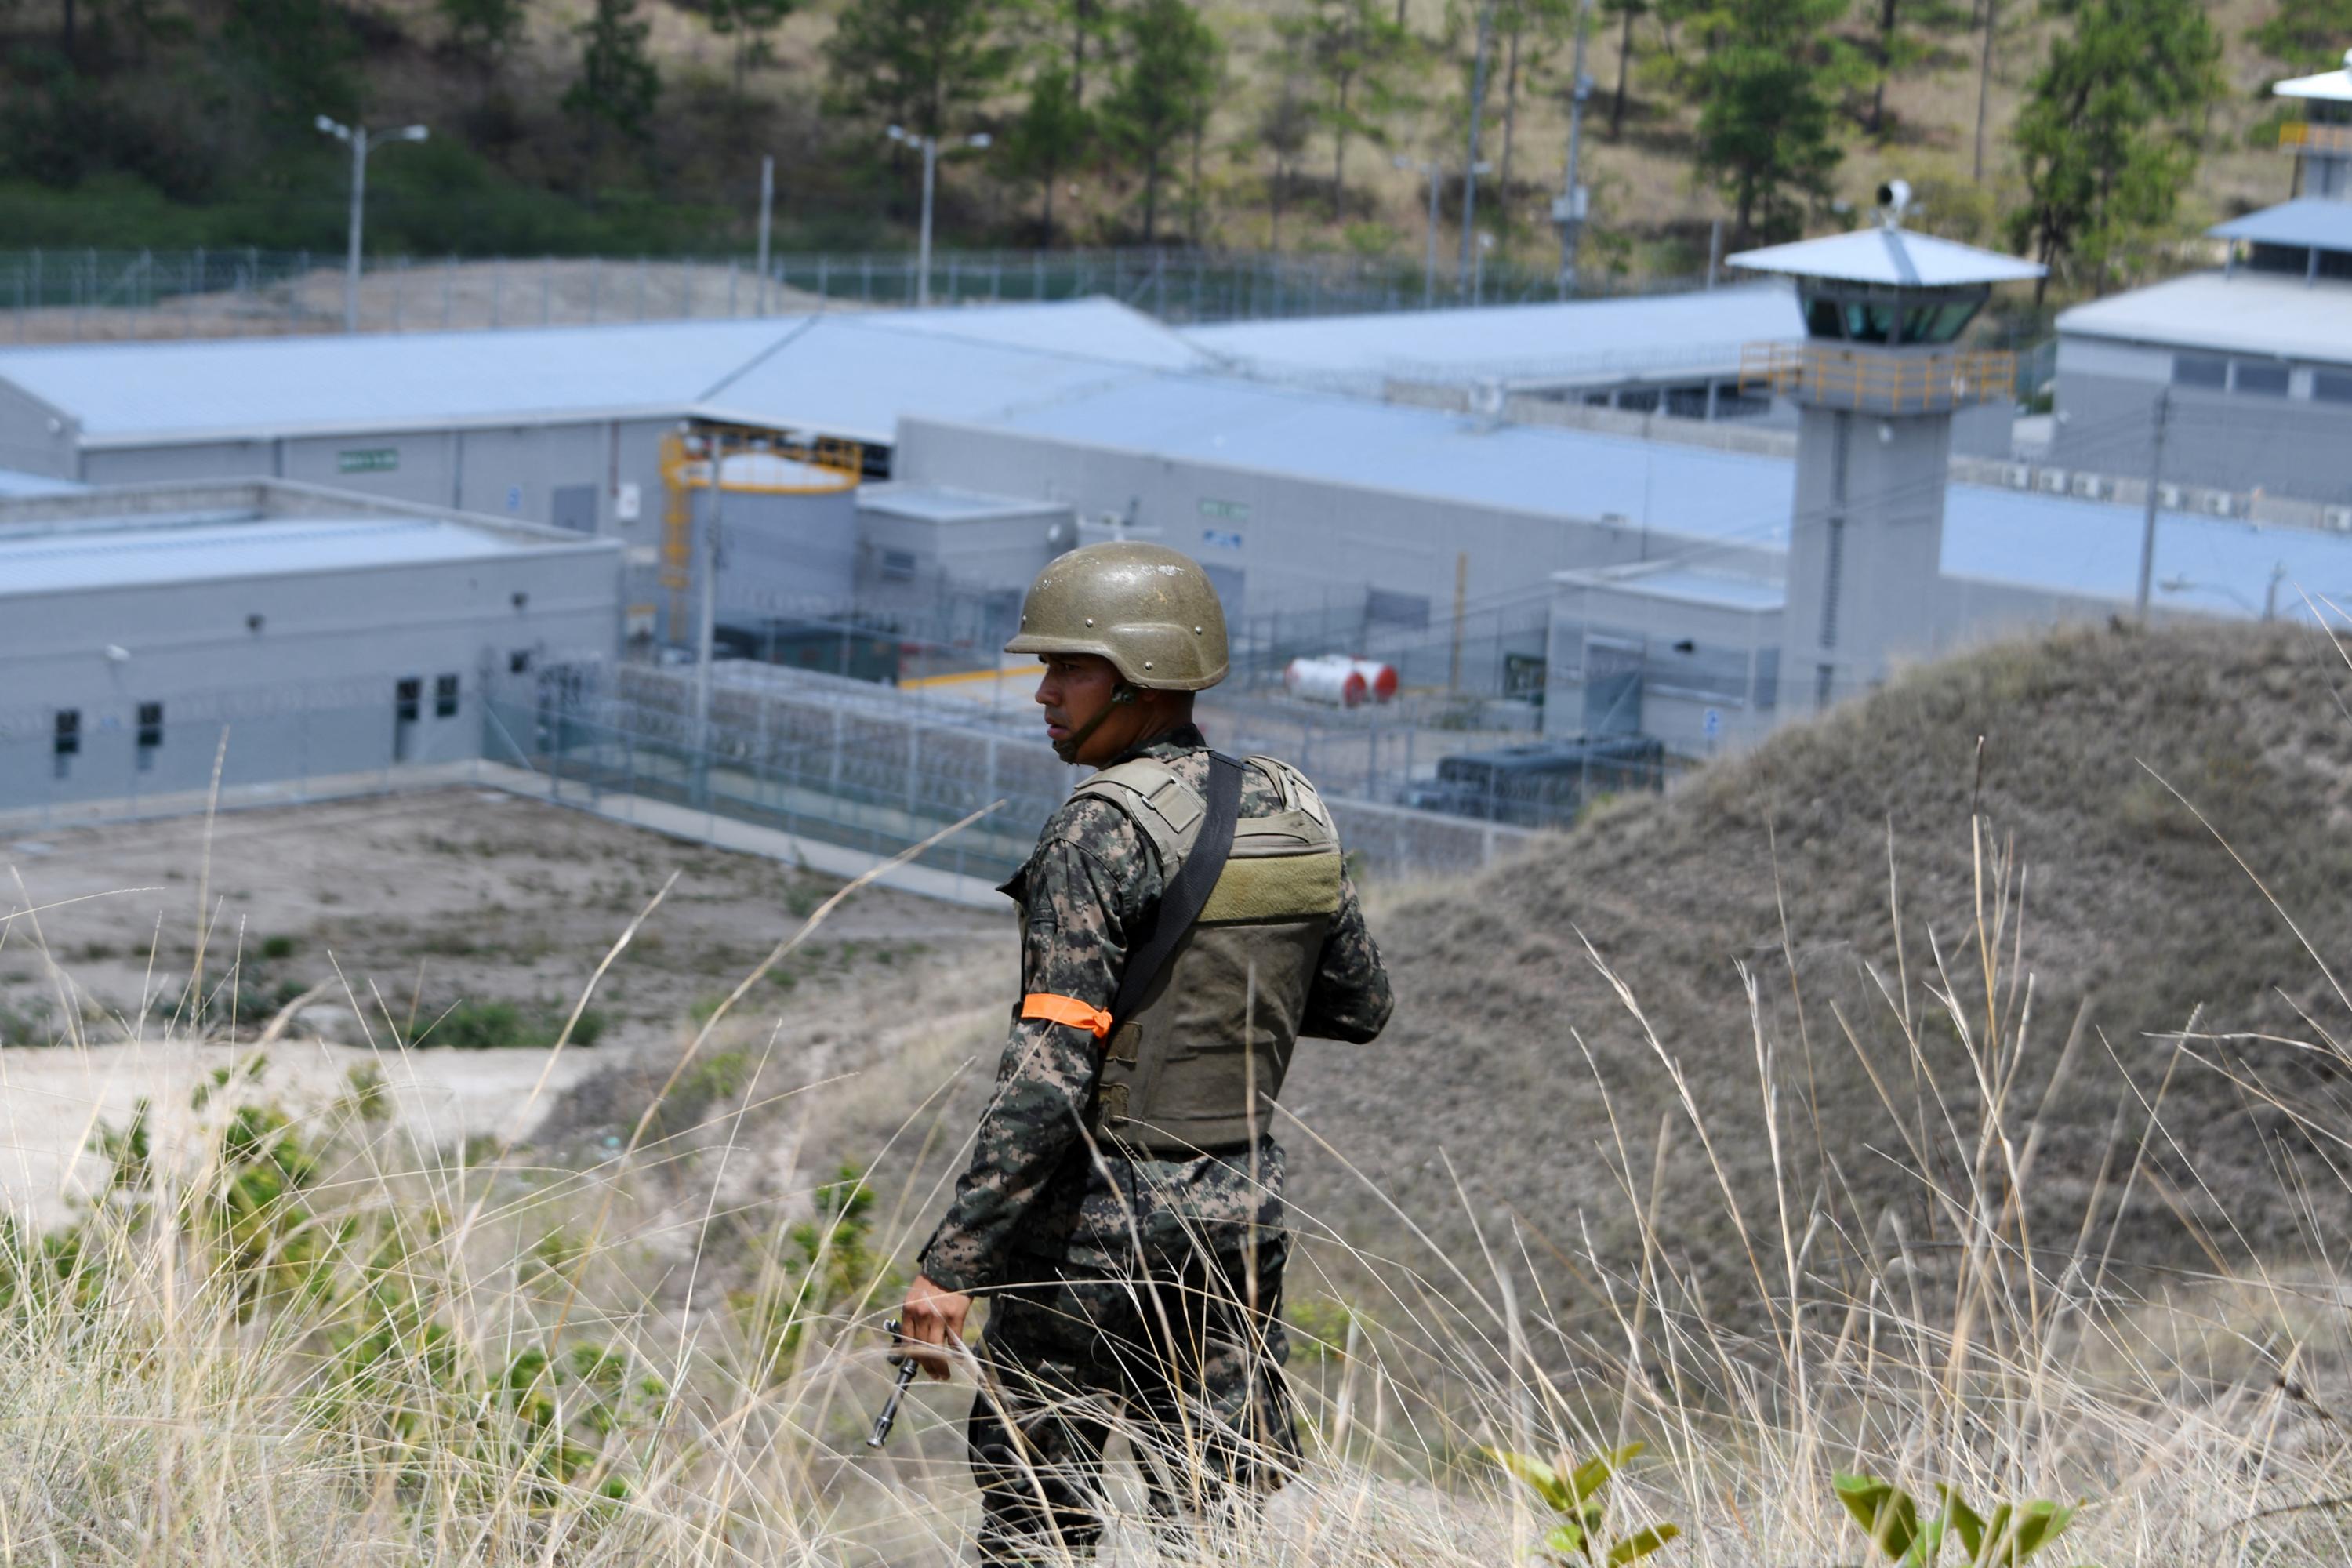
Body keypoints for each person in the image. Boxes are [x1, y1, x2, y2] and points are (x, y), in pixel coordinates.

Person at [897, 540, 1394, 1563]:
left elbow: (1050, 1067)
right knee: (1210, 1517)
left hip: (1093, 1238)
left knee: (1040, 1519)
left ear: (1140, 679)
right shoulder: (1293, 809)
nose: (1043, 693)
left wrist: (953, 1262)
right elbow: (1359, 1004)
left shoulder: (1098, 828)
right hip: (1236, 1219)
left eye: (1069, 670)